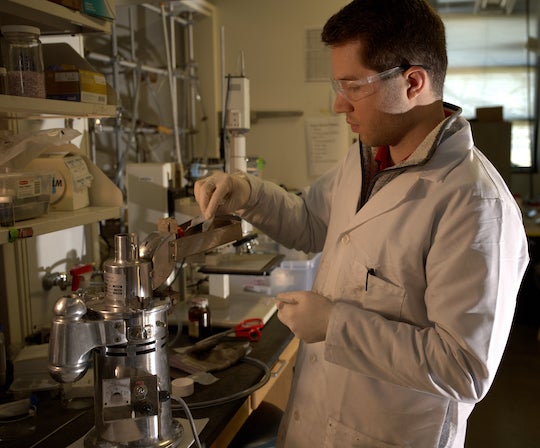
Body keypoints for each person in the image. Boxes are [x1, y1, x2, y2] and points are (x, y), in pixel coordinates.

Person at [194, 0, 529, 446]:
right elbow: (309, 223)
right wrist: (248, 194)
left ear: (412, 83)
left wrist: (336, 326)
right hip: (317, 420)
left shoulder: (473, 202)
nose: (338, 104)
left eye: (353, 86)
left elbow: (464, 369)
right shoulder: (368, 157)